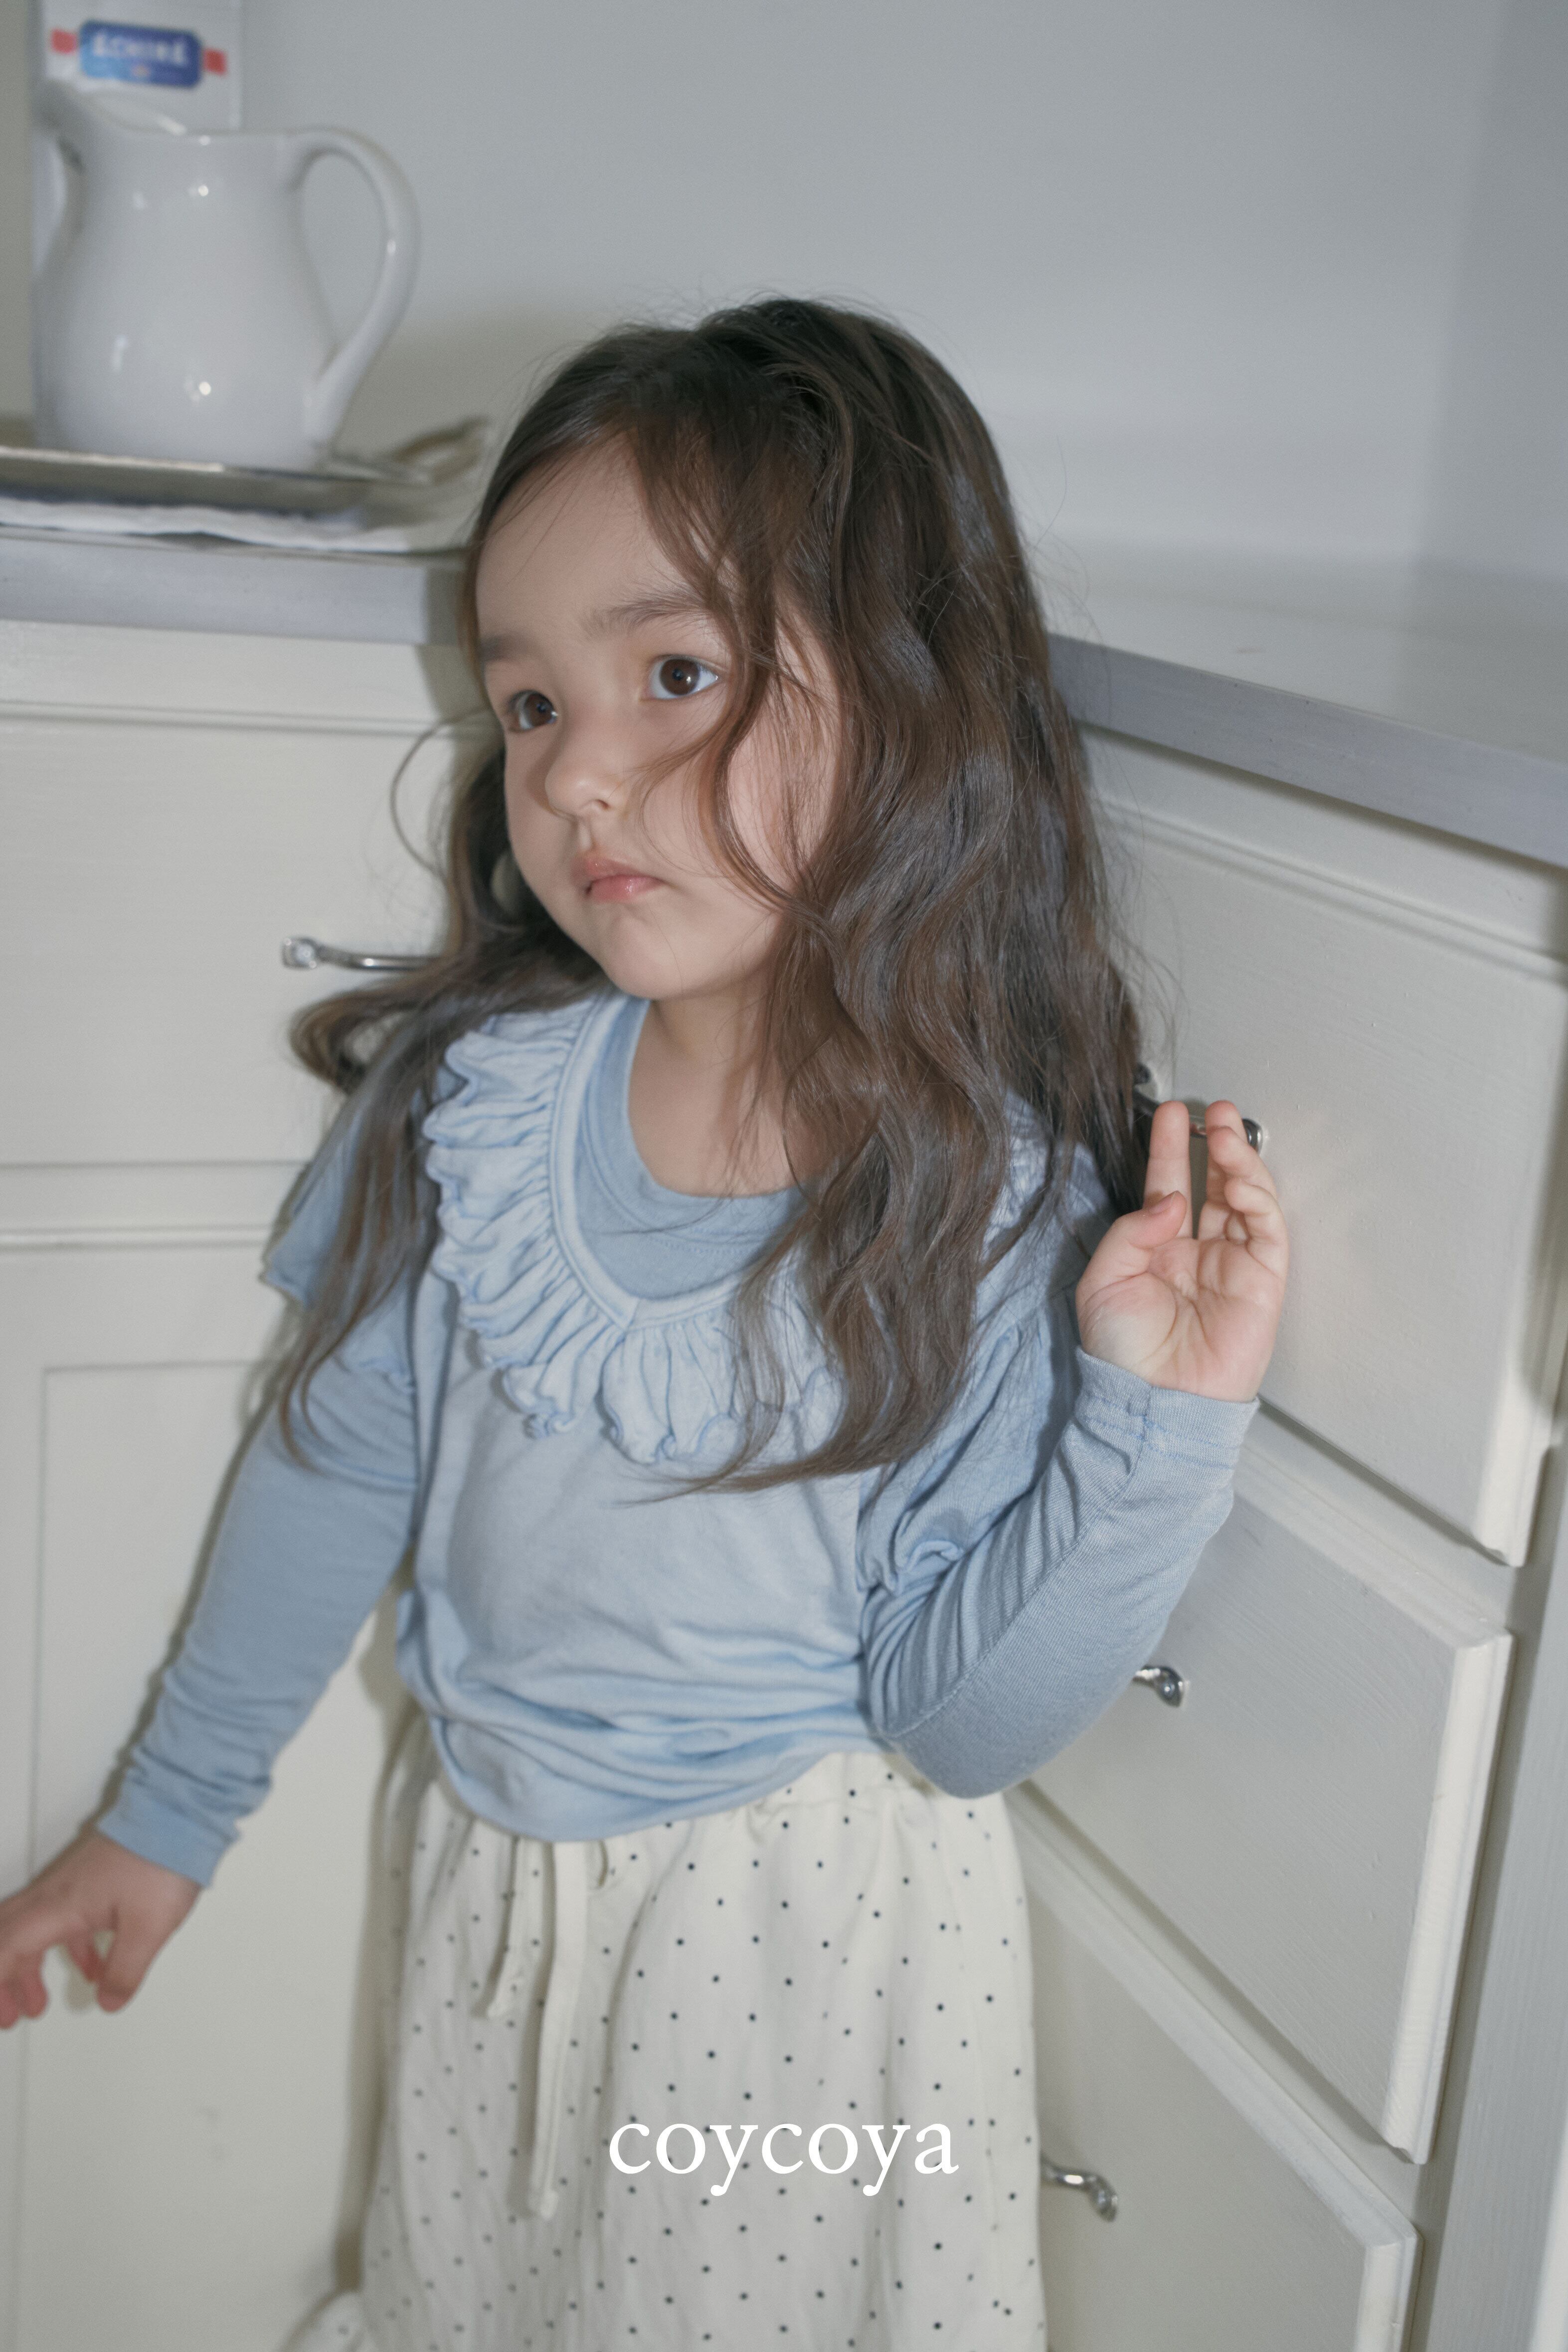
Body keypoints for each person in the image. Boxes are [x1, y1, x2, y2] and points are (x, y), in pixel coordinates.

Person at [0, 297, 1288, 2349]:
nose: (578, 773)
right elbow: (336, 1463)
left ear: (911, 703)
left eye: (673, 676)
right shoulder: (472, 1109)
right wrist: (164, 1820)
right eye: (527, 703)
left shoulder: (989, 1213)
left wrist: (1156, 1423)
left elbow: (956, 1728)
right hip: (490, 1894)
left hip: (796, 1963)